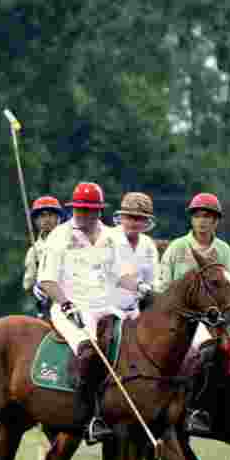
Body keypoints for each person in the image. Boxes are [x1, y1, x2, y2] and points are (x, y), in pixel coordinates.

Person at [37, 182, 150, 444]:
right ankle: (90, 417)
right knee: (89, 352)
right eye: (81, 210)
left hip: (106, 306)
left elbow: (123, 276)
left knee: (130, 346)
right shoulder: (59, 236)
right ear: (73, 209)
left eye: (91, 210)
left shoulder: (113, 236)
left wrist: (143, 289)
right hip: (71, 307)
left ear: (100, 211)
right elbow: (47, 281)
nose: (85, 215)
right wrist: (65, 304)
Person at [157, 192, 230, 434]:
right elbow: (162, 285)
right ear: (191, 220)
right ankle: (192, 409)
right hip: (182, 318)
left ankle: (218, 406)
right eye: (198, 215)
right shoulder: (178, 247)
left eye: (208, 216)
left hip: (216, 319)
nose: (202, 221)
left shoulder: (223, 250)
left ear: (216, 222)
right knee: (205, 350)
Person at [111, 192, 159, 318]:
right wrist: (140, 287)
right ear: (121, 218)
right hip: (106, 311)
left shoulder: (148, 245)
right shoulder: (108, 239)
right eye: (129, 217)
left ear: (146, 222)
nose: (133, 222)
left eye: (138, 219)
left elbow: (153, 279)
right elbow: (113, 275)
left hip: (136, 312)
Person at [23, 196, 65, 317]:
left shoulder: (72, 242)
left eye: (51, 215)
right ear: (36, 221)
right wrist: (35, 288)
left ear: (59, 218)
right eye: (42, 215)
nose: (47, 219)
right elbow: (28, 284)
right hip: (49, 307)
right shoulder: (33, 251)